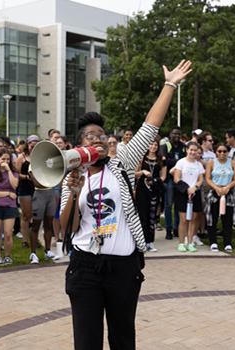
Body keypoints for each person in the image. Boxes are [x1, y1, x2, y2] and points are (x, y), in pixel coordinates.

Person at [59, 60, 192, 349]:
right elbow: (64, 227)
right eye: (90, 136)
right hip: (85, 267)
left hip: (123, 267)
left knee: (123, 339)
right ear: (80, 145)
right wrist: (73, 191)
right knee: (87, 341)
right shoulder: (72, 176)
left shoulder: (122, 164)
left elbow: (149, 127)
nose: (98, 139)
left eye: (102, 135)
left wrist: (169, 85)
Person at [204, 143, 235, 252]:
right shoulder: (211, 163)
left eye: (224, 151)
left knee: (227, 219)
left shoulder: (232, 163)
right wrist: (216, 188)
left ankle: (227, 242)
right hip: (215, 192)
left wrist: (228, 187)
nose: (222, 153)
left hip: (228, 192)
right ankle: (213, 242)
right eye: (219, 151)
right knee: (212, 218)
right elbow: (208, 178)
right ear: (216, 152)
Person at [135, 140, 166, 252]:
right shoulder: (141, 158)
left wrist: (155, 181)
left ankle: (150, 241)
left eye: (155, 145)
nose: (153, 146)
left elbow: (163, 177)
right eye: (151, 144)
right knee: (142, 214)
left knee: (152, 215)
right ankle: (141, 241)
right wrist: (143, 172)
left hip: (154, 190)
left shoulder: (161, 160)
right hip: (142, 190)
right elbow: (135, 174)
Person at [173, 141, 205, 252]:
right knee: (183, 220)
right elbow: (176, 178)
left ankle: (190, 242)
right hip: (183, 193)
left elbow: (201, 180)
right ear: (187, 150)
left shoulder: (199, 165)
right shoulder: (181, 162)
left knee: (194, 219)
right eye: (191, 150)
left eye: (195, 150)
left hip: (195, 194)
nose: (193, 152)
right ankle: (181, 242)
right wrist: (186, 189)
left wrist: (194, 188)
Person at [161, 126, 187, 240]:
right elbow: (164, 161)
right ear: (170, 134)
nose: (177, 136)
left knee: (178, 205)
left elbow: (187, 160)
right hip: (169, 179)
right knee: (168, 205)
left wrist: (174, 162)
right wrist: (179, 162)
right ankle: (168, 229)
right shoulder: (165, 146)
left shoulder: (183, 147)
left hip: (180, 179)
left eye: (179, 134)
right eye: (175, 134)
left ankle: (177, 228)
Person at [16, 136, 38, 249]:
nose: (33, 148)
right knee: (26, 215)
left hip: (37, 188)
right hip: (25, 187)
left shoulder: (40, 157)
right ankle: (25, 240)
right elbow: (16, 174)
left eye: (36, 146)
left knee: (37, 215)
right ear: (27, 145)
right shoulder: (21, 157)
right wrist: (26, 177)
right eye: (32, 146)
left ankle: (35, 238)